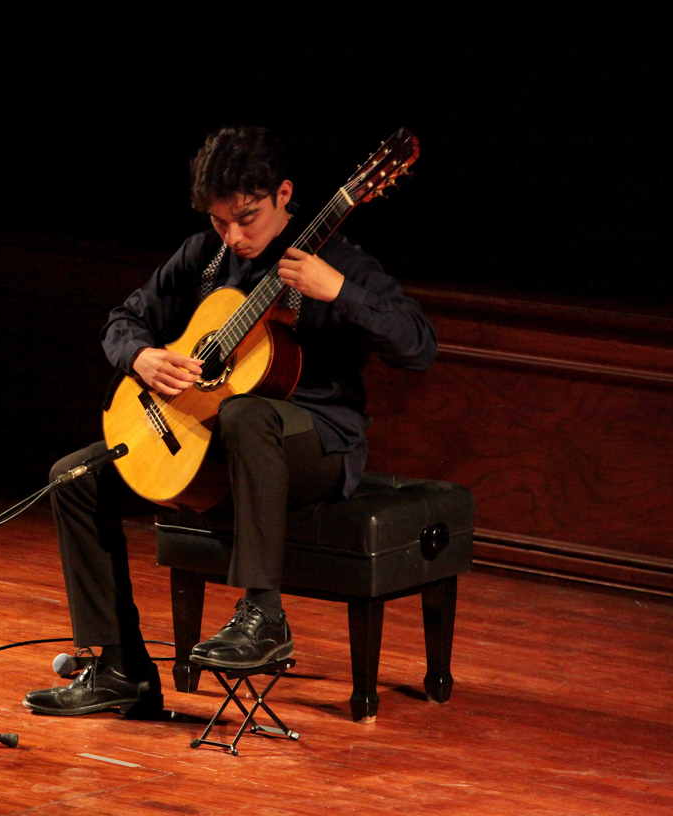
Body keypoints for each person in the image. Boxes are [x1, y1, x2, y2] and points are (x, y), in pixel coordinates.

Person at [24, 126, 437, 717]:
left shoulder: (340, 261)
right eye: (220, 222)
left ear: (283, 194)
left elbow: (420, 347)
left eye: (247, 218)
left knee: (246, 413)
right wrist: (141, 356)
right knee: (75, 478)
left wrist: (339, 291)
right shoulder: (204, 257)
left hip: (316, 444)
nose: (235, 237)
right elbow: (122, 321)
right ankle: (120, 669)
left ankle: (263, 615)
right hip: (216, 444)